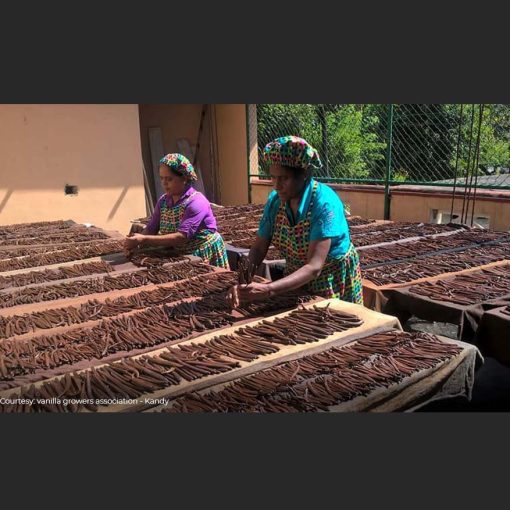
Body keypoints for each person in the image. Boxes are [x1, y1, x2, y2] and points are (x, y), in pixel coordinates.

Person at [227, 136, 363, 306]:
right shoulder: (276, 201)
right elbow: (259, 247)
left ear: (304, 174)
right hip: (296, 272)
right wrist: (243, 282)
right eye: (273, 178)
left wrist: (269, 289)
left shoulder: (324, 203)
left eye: (284, 178)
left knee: (329, 322)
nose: (276, 186)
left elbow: (314, 267)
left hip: (330, 276)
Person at [124, 153, 229, 269]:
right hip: (178, 251)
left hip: (202, 251)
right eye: (162, 178)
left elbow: (181, 237)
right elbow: (151, 228)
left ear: (184, 178)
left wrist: (143, 239)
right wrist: (136, 242)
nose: (164, 183)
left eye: (169, 179)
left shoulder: (196, 202)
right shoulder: (163, 201)